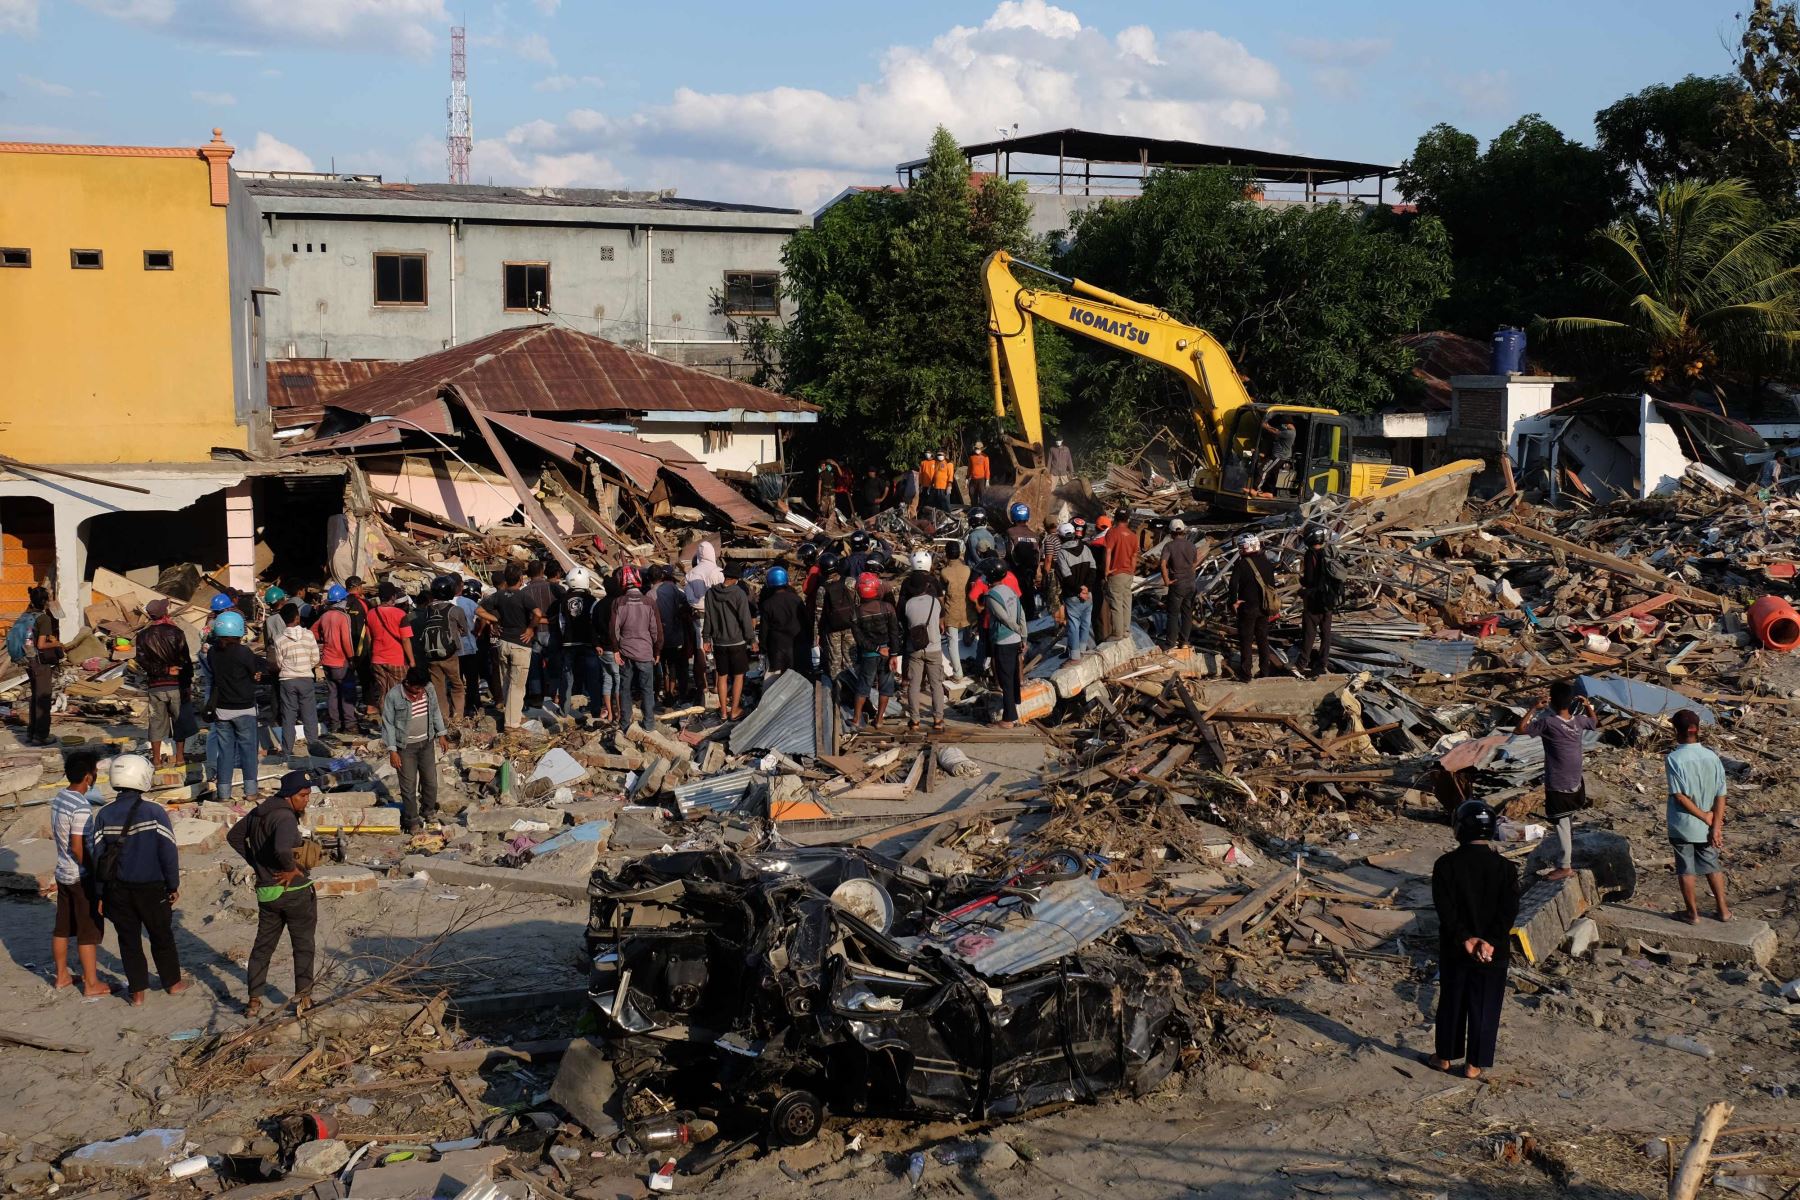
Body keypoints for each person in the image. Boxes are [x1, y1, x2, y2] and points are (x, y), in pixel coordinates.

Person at [1429, 800, 1519, 1080]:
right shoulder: (1506, 869)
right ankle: (1474, 1065)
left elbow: (1445, 909)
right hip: (1494, 951)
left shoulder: (1445, 865)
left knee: (1452, 1000)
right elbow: (1509, 911)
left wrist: (1465, 939)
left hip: (1456, 948)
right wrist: (1489, 941)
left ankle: (1444, 1057)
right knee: (1486, 1004)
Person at [90, 754, 190, 1006]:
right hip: (151, 887)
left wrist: (100, 894)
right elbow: (168, 851)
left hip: (116, 890)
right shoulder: (153, 811)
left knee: (128, 940)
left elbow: (98, 858)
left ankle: (137, 993)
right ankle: (172, 983)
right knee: (161, 936)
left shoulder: (103, 814)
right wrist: (173, 884)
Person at [228, 769, 318, 1017]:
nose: (306, 800)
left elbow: (233, 836)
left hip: (267, 893)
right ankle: (304, 998)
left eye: (308, 795)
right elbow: (281, 848)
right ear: (289, 795)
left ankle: (254, 1001)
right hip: (295, 892)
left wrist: (256, 862)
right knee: (303, 946)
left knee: (263, 947)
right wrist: (290, 869)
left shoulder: (260, 812)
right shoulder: (286, 817)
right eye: (303, 795)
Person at [1515, 680, 1598, 881]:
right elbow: (1594, 723)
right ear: (1571, 702)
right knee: (1566, 820)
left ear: (1551, 702)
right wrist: (1587, 706)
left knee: (1561, 823)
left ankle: (1565, 866)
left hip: (1558, 781)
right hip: (1575, 780)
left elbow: (1520, 729)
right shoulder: (1578, 721)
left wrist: (1533, 707)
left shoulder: (1548, 723)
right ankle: (1567, 856)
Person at [48, 748, 107, 997]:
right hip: (78, 875)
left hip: (62, 870)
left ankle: (62, 976)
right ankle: (91, 983)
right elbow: (77, 844)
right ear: (88, 777)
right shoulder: (82, 806)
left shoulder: (60, 798)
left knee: (62, 927)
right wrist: (92, 872)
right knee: (87, 930)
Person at [1665, 708, 1731, 924]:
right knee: (1712, 865)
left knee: (1686, 869)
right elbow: (1721, 794)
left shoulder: (1674, 758)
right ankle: (1723, 910)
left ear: (1676, 730)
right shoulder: (1712, 757)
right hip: (1708, 826)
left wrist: (1704, 817)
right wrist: (1716, 825)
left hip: (1684, 824)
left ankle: (1692, 914)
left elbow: (1679, 797)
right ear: (1698, 730)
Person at [208, 611, 272, 800]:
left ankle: (223, 793)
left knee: (225, 752)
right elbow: (255, 671)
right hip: (244, 708)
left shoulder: (212, 653)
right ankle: (251, 791)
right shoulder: (243, 651)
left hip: (221, 709)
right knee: (248, 750)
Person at [382, 667, 447, 833]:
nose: (419, 693)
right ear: (408, 683)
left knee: (431, 782)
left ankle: (428, 811)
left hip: (426, 743)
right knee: (408, 786)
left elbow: (435, 711)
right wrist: (392, 751)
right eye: (416, 689)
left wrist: (441, 734)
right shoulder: (394, 696)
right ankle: (412, 821)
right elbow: (388, 724)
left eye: (422, 689)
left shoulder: (428, 689)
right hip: (405, 748)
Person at [476, 565, 540, 732]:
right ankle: (511, 724)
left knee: (507, 682)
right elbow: (538, 614)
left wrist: (496, 621)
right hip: (520, 644)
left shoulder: (498, 596)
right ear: (520, 580)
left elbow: (479, 610)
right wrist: (530, 629)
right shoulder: (523, 596)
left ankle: (512, 715)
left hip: (503, 643)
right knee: (518, 685)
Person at [407, 575, 470, 726]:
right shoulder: (455, 610)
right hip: (450, 655)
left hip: (431, 656)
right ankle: (458, 718)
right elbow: (465, 631)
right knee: (457, 685)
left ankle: (443, 719)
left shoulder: (427, 610)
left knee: (438, 688)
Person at [137, 598, 192, 769]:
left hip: (155, 687)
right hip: (175, 685)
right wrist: (186, 682)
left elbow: (142, 661)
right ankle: (180, 758)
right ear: (165, 612)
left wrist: (161, 671)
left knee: (155, 724)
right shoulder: (176, 632)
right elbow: (186, 661)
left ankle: (157, 761)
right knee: (180, 723)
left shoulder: (143, 636)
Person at [703, 563, 756, 721]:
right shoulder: (739, 594)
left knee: (722, 676)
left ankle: (724, 713)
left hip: (719, 642)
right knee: (739, 676)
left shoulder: (710, 593)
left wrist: (706, 638)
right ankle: (734, 711)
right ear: (736, 579)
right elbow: (745, 619)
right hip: (737, 642)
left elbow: (708, 618)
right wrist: (752, 639)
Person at [900, 552, 946, 731]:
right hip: (934, 647)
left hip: (914, 648)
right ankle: (938, 720)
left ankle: (915, 721)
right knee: (936, 685)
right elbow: (941, 620)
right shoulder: (936, 602)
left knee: (914, 685)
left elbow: (903, 620)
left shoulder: (908, 604)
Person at [611, 574, 663, 730]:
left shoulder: (618, 602)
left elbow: (614, 629)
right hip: (645, 652)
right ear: (639, 582)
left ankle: (625, 723)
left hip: (625, 652)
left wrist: (615, 650)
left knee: (625, 688)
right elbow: (656, 630)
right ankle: (649, 724)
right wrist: (657, 649)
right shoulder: (649, 602)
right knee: (647, 689)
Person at [273, 603, 322, 759]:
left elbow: (279, 663)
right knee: (309, 714)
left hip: (287, 680)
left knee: (288, 716)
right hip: (305, 678)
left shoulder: (279, 639)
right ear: (297, 617)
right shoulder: (308, 635)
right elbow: (316, 658)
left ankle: (287, 750)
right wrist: (306, 666)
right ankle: (313, 746)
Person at [850, 572, 899, 730]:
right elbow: (894, 633)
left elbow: (860, 640)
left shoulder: (856, 613)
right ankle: (879, 720)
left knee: (863, 687)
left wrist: (876, 649)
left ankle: (856, 720)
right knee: (886, 687)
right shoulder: (888, 608)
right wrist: (893, 654)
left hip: (868, 655)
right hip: (887, 653)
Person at [1229, 533, 1279, 681]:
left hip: (1247, 607)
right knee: (1262, 638)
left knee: (1246, 640)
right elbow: (1271, 585)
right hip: (1264, 607)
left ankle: (1246, 674)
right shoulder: (1266, 562)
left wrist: (1233, 601)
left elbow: (1233, 585)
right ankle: (1265, 671)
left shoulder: (1241, 564)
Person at [313, 585, 361, 735]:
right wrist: (352, 658)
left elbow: (313, 632)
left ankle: (335, 724)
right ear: (341, 600)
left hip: (327, 661)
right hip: (341, 661)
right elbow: (346, 640)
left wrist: (324, 639)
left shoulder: (325, 616)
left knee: (333, 694)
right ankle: (350, 725)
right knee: (347, 693)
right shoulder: (343, 617)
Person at [984, 560, 1026, 727]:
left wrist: (1017, 630)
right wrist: (1023, 636)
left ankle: (1008, 719)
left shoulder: (991, 596)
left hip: (1004, 640)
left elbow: (1004, 618)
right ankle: (1013, 709)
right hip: (1015, 640)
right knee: (1013, 677)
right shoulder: (1010, 591)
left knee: (1005, 679)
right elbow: (1021, 614)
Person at [555, 568, 601, 718]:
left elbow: (561, 623)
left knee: (567, 677)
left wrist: (565, 639)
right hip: (588, 644)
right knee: (593, 677)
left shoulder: (562, 600)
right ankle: (595, 709)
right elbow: (594, 623)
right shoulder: (592, 600)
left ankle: (564, 710)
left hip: (569, 644)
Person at [1298, 526, 1342, 677]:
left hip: (1314, 601)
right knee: (1326, 634)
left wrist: (1302, 582)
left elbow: (1309, 579)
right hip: (1329, 600)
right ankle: (1323, 662)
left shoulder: (1310, 555)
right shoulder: (1329, 552)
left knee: (1309, 634)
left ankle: (1302, 663)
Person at [20, 587, 60, 746]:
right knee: (43, 698)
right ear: (44, 602)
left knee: (35, 696)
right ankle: (41, 735)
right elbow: (42, 644)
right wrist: (56, 643)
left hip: (28, 661)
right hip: (40, 663)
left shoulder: (26, 615)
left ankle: (32, 732)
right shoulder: (43, 619)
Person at [814, 556, 860, 693]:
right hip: (850, 627)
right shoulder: (850, 582)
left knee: (835, 661)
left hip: (832, 629)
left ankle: (837, 691)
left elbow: (818, 614)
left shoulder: (822, 589)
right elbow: (858, 603)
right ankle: (853, 690)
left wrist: (816, 634)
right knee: (850, 659)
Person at [1053, 523, 1097, 661]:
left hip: (1073, 595)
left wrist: (1079, 590)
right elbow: (1093, 569)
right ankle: (1082, 652)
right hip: (1088, 595)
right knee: (1085, 624)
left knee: (1073, 626)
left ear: (1060, 537)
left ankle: (1075, 656)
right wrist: (1087, 589)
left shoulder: (1062, 553)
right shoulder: (1085, 548)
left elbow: (1067, 577)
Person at [652, 566, 691, 705]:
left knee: (662, 665)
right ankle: (672, 692)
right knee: (674, 665)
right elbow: (687, 604)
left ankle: (663, 692)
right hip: (675, 635)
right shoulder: (674, 589)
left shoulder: (654, 592)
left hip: (660, 635)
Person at [367, 581, 413, 703]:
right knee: (399, 693)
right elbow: (405, 639)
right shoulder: (401, 614)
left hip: (377, 659)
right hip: (396, 660)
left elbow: (369, 639)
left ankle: (386, 720)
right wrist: (412, 661)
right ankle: (398, 720)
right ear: (393, 597)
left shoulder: (370, 614)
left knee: (383, 692)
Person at [759, 566, 806, 677]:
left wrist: (763, 648)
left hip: (777, 648)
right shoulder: (796, 600)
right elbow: (806, 622)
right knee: (796, 675)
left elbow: (764, 630)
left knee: (780, 679)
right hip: (796, 644)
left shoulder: (767, 604)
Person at [1159, 518, 1199, 651]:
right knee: (1187, 613)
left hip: (1177, 584)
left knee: (1173, 614)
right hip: (1191, 584)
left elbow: (1163, 563)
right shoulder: (1191, 545)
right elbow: (1195, 563)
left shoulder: (1169, 546)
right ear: (1183, 531)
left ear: (1171, 532)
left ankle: (1170, 643)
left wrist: (1166, 581)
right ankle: (1185, 641)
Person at [1101, 510, 1138, 640]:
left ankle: (1117, 633)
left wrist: (1106, 570)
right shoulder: (1133, 536)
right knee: (1127, 602)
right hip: (1128, 573)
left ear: (1115, 518)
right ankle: (1126, 630)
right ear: (1127, 519)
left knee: (1116, 603)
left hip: (1115, 572)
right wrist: (1132, 571)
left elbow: (1108, 551)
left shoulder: (1112, 532)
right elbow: (1134, 556)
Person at [940, 543, 973, 680]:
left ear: (946, 554)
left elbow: (942, 594)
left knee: (952, 642)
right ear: (959, 554)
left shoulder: (944, 572)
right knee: (968, 628)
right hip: (967, 610)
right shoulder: (968, 569)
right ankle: (968, 640)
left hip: (951, 610)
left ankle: (958, 673)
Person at [1004, 502, 1042, 620]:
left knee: (1016, 598)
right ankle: (1031, 618)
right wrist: (1036, 570)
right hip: (1030, 572)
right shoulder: (1034, 535)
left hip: (1015, 572)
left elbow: (1009, 553)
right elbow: (1038, 554)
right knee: (1029, 595)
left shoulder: (1010, 533)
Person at [455, 579, 485, 719]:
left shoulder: (446, 603)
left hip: (454, 650)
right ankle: (474, 707)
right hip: (470, 647)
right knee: (472, 680)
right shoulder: (469, 603)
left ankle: (460, 710)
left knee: (457, 681)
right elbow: (483, 616)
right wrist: (478, 632)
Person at [1257, 413, 1297, 494]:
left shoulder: (1290, 433)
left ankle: (1257, 489)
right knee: (1272, 475)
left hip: (1278, 457)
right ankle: (1270, 493)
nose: (1282, 425)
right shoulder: (1288, 431)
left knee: (1263, 470)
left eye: (1284, 424)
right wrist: (1268, 426)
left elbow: (1275, 433)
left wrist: (1265, 427)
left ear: (1288, 423)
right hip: (1279, 456)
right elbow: (1277, 430)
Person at [968, 441, 991, 507]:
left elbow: (987, 469)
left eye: (978, 449)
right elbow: (969, 468)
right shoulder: (971, 457)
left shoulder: (985, 457)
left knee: (982, 495)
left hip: (981, 479)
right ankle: (974, 508)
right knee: (972, 494)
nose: (977, 450)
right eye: (976, 448)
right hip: (973, 479)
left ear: (981, 449)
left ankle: (983, 509)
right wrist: (967, 478)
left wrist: (987, 480)